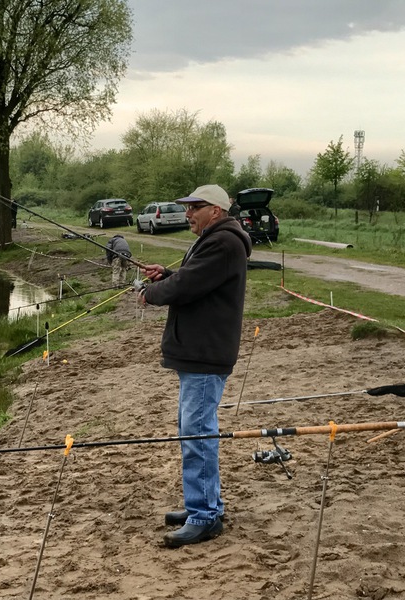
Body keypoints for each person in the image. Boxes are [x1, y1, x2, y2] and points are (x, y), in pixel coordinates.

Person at [138, 184, 251, 548]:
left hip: (205, 354)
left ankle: (204, 517)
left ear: (215, 210)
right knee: (194, 432)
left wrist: (152, 292)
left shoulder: (223, 242)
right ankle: (203, 505)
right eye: (187, 207)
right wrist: (167, 274)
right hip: (200, 353)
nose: (187, 213)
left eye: (194, 207)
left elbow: (188, 286)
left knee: (197, 435)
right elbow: (195, 280)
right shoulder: (216, 240)